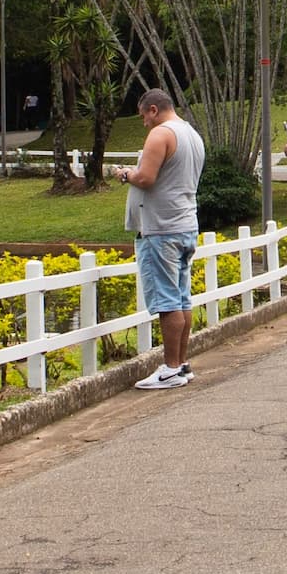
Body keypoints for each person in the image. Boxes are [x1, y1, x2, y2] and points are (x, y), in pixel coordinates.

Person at [125, 86, 202, 389]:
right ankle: (181, 364)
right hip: (184, 225)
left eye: (144, 115)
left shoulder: (161, 134)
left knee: (168, 302)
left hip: (161, 229)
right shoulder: (191, 134)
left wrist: (124, 174)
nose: (144, 122)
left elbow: (146, 178)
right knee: (181, 298)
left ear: (154, 109)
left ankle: (170, 368)